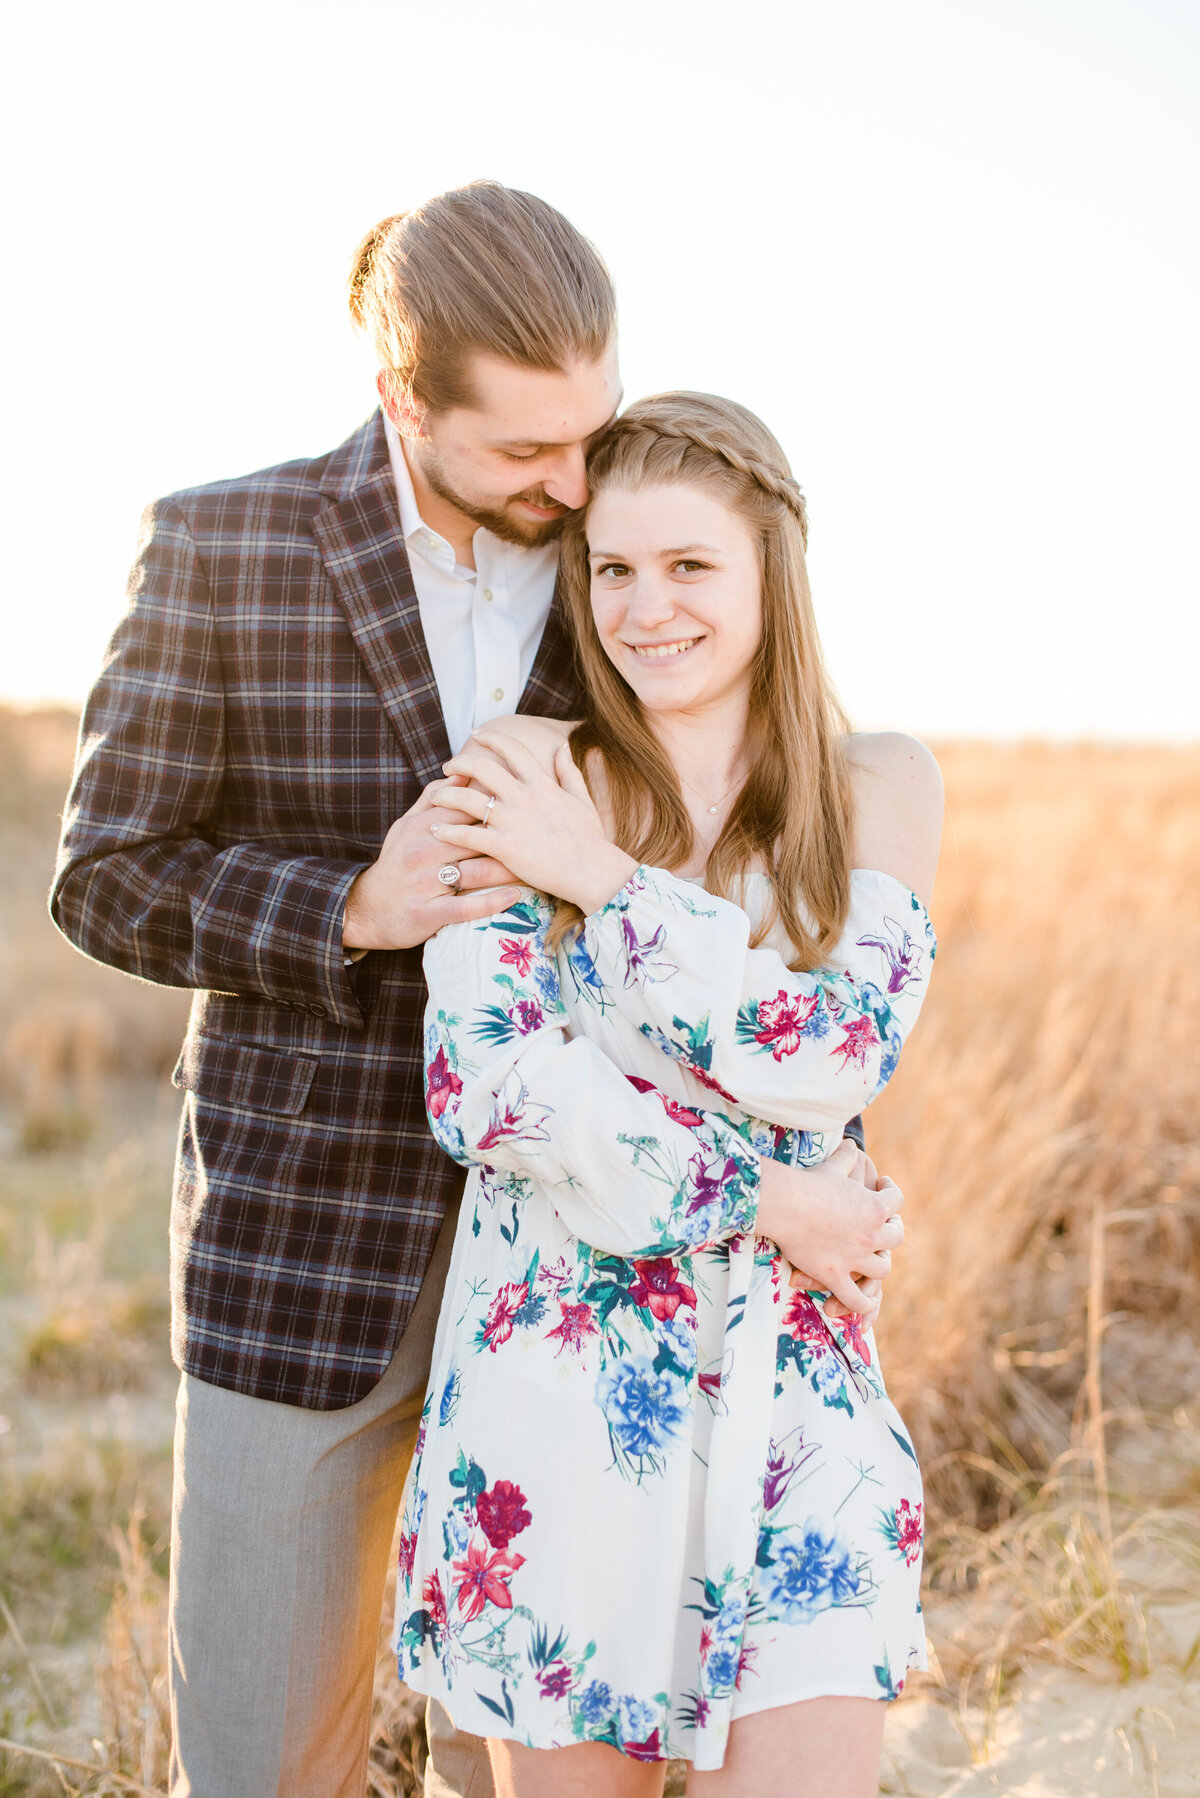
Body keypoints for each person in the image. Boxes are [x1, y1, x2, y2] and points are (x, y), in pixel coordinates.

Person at [50, 187, 891, 1798]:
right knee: (260, 1751)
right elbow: (107, 871)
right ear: (403, 401)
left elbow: (749, 864)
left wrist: (820, 1157)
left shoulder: (626, 545)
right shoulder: (222, 542)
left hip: (602, 1254)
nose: (574, 488)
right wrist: (355, 904)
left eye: (590, 433)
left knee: (512, 1748)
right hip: (307, 1237)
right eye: (525, 455)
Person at [395, 393, 943, 1796]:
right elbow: (497, 1088)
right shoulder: (516, 774)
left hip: (798, 1405)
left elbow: (831, 1053)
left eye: (690, 566)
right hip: (565, 1406)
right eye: (613, 569)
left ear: (772, 567)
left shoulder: (876, 785)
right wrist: (772, 1195)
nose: (646, 609)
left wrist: (610, 888)